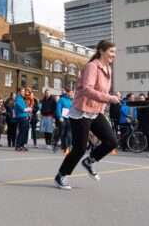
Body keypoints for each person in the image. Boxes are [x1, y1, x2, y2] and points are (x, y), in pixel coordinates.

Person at [54, 40, 121, 190]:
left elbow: (102, 92)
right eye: (111, 52)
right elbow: (86, 90)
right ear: (101, 51)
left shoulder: (108, 69)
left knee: (111, 141)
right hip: (81, 111)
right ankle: (61, 175)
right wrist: (109, 98)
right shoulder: (92, 66)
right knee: (80, 148)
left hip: (96, 111)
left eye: (115, 52)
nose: (113, 55)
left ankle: (89, 161)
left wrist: (110, 97)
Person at [53, 88, 73, 153]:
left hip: (69, 118)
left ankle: (66, 147)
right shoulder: (61, 99)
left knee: (68, 133)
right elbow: (58, 109)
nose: (71, 94)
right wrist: (60, 117)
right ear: (67, 93)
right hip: (62, 118)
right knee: (61, 132)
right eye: (70, 93)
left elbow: (72, 109)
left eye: (72, 93)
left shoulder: (70, 101)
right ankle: (55, 144)